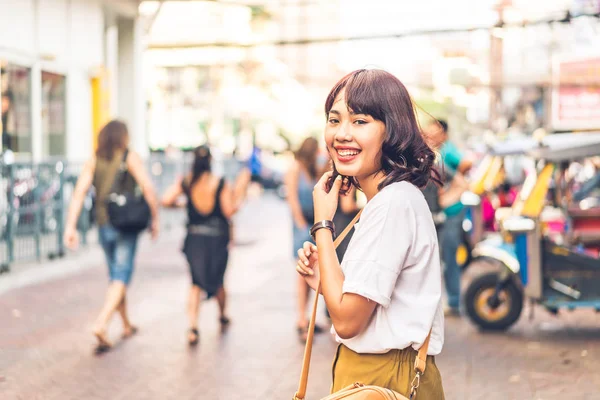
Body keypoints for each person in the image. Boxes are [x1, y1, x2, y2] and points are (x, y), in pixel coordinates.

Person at [295, 69, 445, 398]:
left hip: (383, 375)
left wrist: (323, 223)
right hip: (371, 372)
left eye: (360, 121)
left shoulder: (392, 204)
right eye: (334, 120)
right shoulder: (386, 201)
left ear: (391, 131)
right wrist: (325, 276)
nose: (342, 134)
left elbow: (348, 321)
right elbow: (358, 304)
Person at [63, 119, 159, 353]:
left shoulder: (94, 160)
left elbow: (79, 193)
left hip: (104, 224)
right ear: (123, 137)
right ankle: (101, 324)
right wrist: (155, 219)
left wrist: (70, 226)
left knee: (116, 275)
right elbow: (148, 188)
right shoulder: (128, 157)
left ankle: (125, 324)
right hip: (126, 224)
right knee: (121, 275)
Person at [161, 145, 250, 346]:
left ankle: (192, 326)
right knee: (218, 280)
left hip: (194, 238)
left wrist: (183, 204)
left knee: (195, 282)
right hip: (217, 238)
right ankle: (222, 314)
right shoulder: (219, 183)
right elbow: (228, 211)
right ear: (210, 161)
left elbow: (166, 199)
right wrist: (240, 197)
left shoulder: (187, 181)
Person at [425, 119, 472, 316]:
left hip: (451, 214)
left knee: (449, 258)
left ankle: (453, 302)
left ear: (443, 134)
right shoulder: (436, 155)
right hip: (443, 215)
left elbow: (465, 166)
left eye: (433, 132)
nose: (430, 136)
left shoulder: (445, 152)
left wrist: (447, 196)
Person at [285, 137, 325, 342]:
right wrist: (302, 225)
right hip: (303, 226)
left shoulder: (312, 168)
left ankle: (308, 317)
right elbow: (291, 198)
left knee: (313, 272)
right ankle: (301, 319)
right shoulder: (295, 169)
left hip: (314, 225)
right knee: (303, 273)